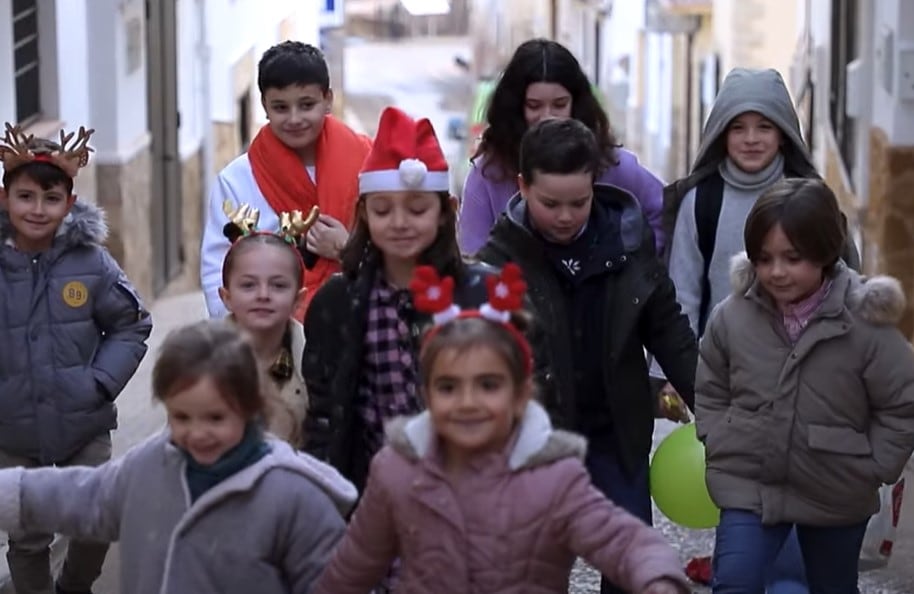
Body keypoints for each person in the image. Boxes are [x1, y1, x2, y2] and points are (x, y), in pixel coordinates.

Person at [312, 264, 691, 594]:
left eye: (488, 385)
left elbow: (622, 539)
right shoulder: (397, 472)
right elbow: (351, 567)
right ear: (425, 393)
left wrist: (656, 575)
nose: (468, 401)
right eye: (448, 387)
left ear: (521, 393)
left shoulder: (554, 477)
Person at [475, 117, 697, 594]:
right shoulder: (498, 264)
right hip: (536, 442)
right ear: (522, 186)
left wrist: (715, 407)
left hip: (617, 434)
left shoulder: (629, 244)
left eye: (579, 202)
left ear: (595, 185)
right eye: (549, 203)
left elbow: (670, 332)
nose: (565, 216)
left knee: (629, 565)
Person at [661, 67, 861, 591]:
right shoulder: (699, 202)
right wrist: (675, 377)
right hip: (734, 379)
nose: (751, 139)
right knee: (745, 518)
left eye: (764, 126)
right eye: (738, 126)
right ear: (719, 132)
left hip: (814, 379)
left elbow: (850, 287)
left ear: (785, 133)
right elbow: (679, 291)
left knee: (800, 536)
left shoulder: (814, 199)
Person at [0, 320, 358, 594]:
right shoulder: (149, 466)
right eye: (181, 417)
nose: (197, 433)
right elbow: (81, 496)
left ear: (251, 408)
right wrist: (10, 491)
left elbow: (334, 580)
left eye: (216, 417)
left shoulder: (292, 493)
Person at [302, 106, 551, 494]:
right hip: (371, 500)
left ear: (445, 211)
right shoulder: (338, 301)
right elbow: (323, 415)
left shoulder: (488, 295)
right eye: (384, 210)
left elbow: (532, 394)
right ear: (365, 214)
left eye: (417, 209)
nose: (400, 223)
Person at [695, 178, 914, 594]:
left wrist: (875, 466)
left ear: (825, 251)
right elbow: (711, 380)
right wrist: (719, 434)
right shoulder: (734, 315)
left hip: (837, 490)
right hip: (750, 484)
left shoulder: (866, 325)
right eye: (764, 259)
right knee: (735, 582)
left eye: (792, 258)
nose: (776, 272)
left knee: (830, 586)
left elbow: (901, 403)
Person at [0, 123, 153, 594]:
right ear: (5, 199)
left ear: (69, 204)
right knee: (26, 536)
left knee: (95, 520)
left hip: (82, 423)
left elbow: (131, 324)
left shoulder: (91, 262)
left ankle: (74, 587)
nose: (38, 209)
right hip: (12, 428)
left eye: (51, 198)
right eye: (26, 197)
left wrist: (98, 384)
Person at [200, 41, 372, 320]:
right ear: (264, 106)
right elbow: (217, 269)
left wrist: (346, 248)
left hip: (364, 322)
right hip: (271, 335)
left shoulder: (368, 163)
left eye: (307, 105)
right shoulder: (237, 180)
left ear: (328, 99)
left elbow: (397, 248)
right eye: (281, 107)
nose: (294, 119)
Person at [458, 38, 665, 256]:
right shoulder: (489, 175)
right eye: (534, 106)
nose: (548, 116)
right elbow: (474, 257)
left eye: (559, 104)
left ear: (576, 104)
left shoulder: (612, 164)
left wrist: (636, 269)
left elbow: (664, 211)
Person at [218, 204, 319, 447]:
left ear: (299, 299)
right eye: (249, 285)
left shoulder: (316, 363)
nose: (263, 295)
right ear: (226, 297)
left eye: (278, 286)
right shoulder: (200, 359)